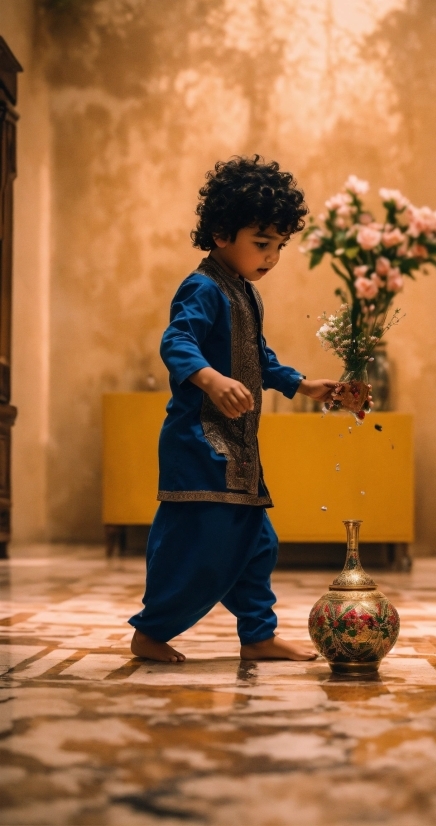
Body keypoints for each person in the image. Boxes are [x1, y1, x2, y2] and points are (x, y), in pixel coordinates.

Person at [129, 156, 337, 663]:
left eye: (279, 246)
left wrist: (304, 385)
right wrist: (210, 378)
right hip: (198, 442)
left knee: (258, 542)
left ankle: (258, 635)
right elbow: (177, 340)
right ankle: (151, 630)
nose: (272, 257)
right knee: (197, 544)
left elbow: (258, 357)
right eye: (262, 243)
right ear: (222, 233)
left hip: (239, 446)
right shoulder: (202, 288)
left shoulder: (245, 294)